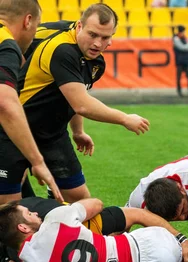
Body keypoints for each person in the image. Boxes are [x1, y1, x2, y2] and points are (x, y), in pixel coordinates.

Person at [3, 4, 149, 205]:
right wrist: (124, 118)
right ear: (79, 26)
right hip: (14, 131)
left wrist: (78, 131)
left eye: (105, 38)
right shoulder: (62, 49)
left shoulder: (92, 60)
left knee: (80, 200)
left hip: (52, 133)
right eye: (93, 34)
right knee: (10, 209)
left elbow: (72, 96)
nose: (98, 43)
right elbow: (82, 104)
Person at [0, 198, 188, 262]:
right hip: (147, 248)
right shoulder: (55, 220)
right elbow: (97, 204)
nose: (34, 212)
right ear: (23, 227)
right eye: (28, 213)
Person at [0, 0, 63, 205]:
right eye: (36, 27)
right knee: (11, 217)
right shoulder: (5, 45)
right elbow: (5, 104)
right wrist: (37, 161)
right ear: (28, 21)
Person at [173, 25, 188, 97]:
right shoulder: (176, 38)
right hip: (180, 61)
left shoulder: (183, 38)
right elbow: (182, 47)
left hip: (186, 61)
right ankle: (179, 91)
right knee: (179, 77)